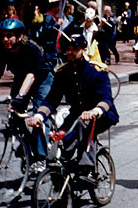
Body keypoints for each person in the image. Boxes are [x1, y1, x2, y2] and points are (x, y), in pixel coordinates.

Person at [25, 34, 118, 178]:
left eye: (74, 49)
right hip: (77, 114)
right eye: (67, 49)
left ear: (84, 49)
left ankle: (86, 169)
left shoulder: (97, 71)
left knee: (84, 124)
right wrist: (38, 116)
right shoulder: (63, 72)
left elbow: (106, 99)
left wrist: (95, 110)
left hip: (101, 115)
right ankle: (60, 179)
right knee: (60, 141)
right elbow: (52, 99)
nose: (70, 52)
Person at [0, 19, 54, 168]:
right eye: (3, 36)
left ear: (19, 36)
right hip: (21, 78)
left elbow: (31, 75)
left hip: (41, 78)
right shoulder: (2, 49)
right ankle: (27, 147)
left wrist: (19, 97)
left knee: (39, 114)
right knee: (14, 117)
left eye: (10, 35)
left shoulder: (32, 49)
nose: (5, 39)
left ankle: (40, 157)